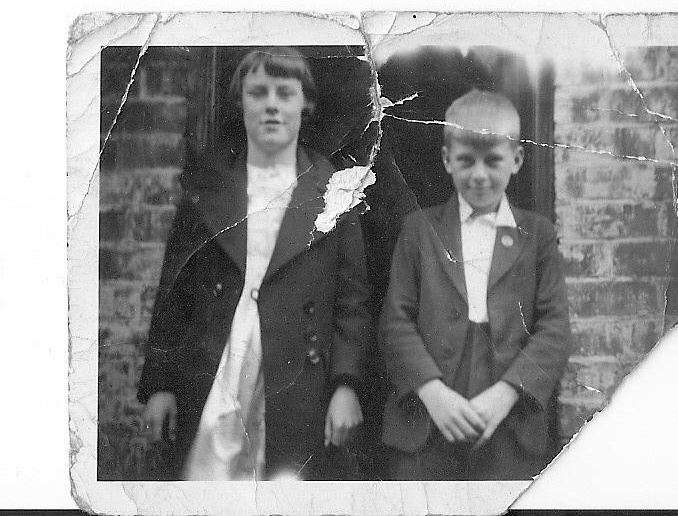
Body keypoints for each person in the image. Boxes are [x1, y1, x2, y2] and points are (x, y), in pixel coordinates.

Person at [137, 47, 371, 480]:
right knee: (207, 478)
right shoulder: (210, 184)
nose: (271, 106)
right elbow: (176, 289)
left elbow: (351, 303)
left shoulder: (333, 188)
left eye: (285, 93)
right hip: (219, 357)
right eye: (257, 93)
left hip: (292, 369)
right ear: (239, 102)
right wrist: (161, 384)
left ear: (306, 103)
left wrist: (345, 384)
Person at [379, 88, 571, 480]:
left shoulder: (537, 235)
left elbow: (554, 328)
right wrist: (432, 393)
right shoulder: (419, 230)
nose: (479, 175)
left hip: (508, 411)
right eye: (466, 161)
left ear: (517, 160)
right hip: (428, 410)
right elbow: (395, 321)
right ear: (447, 160)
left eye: (493, 161)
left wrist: (506, 394)